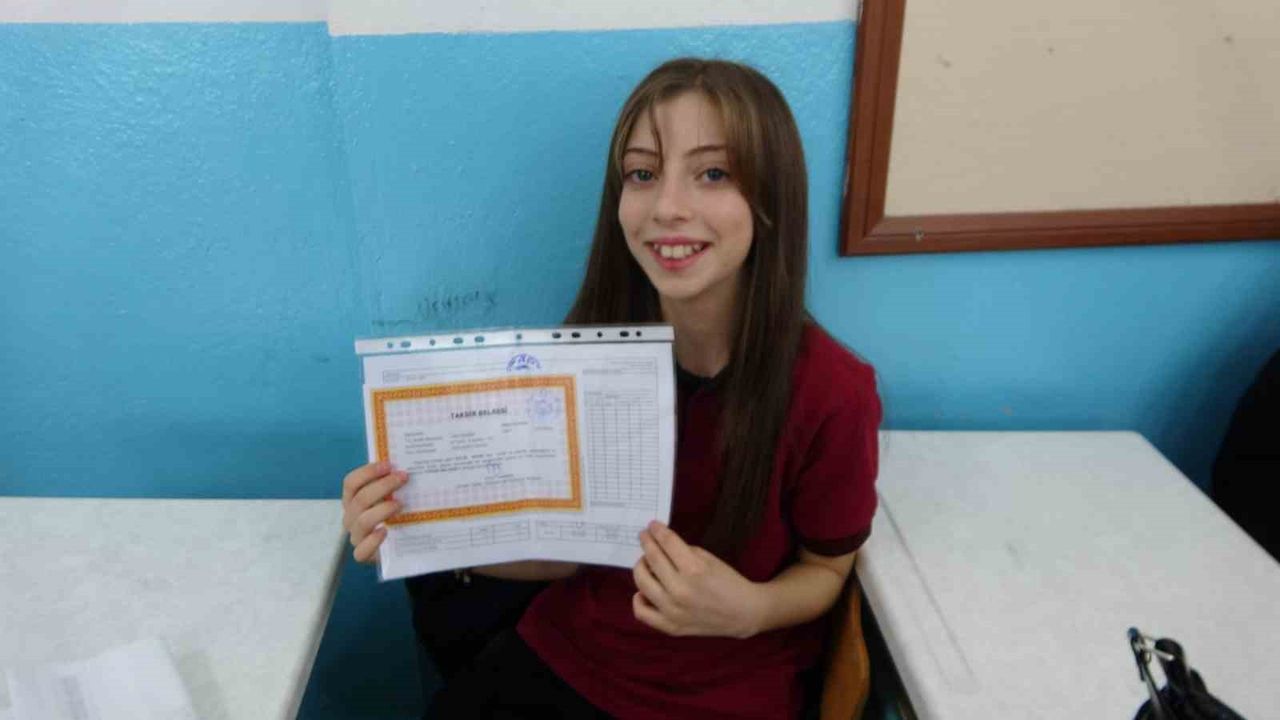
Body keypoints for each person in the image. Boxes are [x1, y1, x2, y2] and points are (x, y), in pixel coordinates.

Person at [341, 57, 882, 719]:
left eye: (713, 173)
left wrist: (751, 608)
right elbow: (565, 555)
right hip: (573, 652)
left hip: (728, 690)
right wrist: (411, 522)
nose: (668, 208)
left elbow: (827, 570)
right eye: (643, 174)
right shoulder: (585, 355)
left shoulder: (832, 391)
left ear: (771, 200)